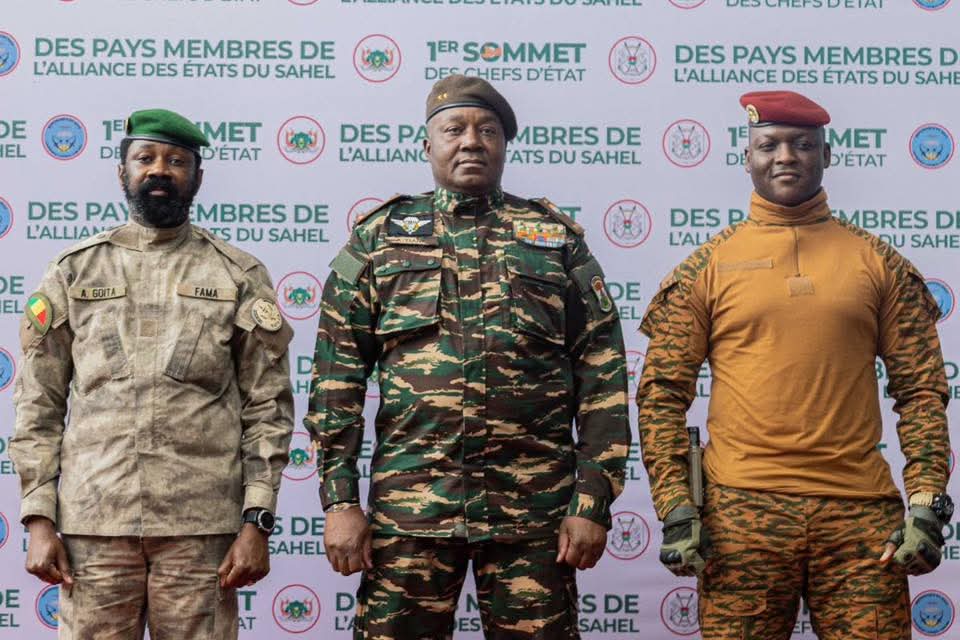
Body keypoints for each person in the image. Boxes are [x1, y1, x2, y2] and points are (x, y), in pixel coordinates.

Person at [306, 75, 630, 639]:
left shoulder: (555, 241)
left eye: (488, 131)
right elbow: (337, 379)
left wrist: (593, 499)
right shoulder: (380, 239)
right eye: (454, 129)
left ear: (504, 145)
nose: (472, 141)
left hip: (533, 515)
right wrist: (339, 502)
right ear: (427, 144)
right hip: (412, 512)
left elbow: (602, 375)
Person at [637, 90, 953, 639]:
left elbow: (921, 391)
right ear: (747, 157)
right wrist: (675, 505)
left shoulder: (880, 263)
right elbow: (661, 393)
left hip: (859, 517)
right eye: (769, 145)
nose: (785, 156)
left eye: (803, 144)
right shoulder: (705, 268)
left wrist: (926, 501)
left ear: (826, 155)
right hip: (739, 517)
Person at [10, 108, 294, 639]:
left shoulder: (237, 274)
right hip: (95, 526)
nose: (159, 170)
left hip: (201, 531)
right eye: (145, 158)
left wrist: (257, 520)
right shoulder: (74, 271)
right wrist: (38, 518)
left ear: (198, 176)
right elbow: (38, 404)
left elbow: (268, 408)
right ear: (122, 172)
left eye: (176, 161)